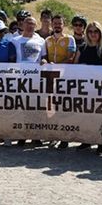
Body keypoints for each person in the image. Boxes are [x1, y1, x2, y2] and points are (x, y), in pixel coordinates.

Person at [73, 21, 102, 152]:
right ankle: (86, 141)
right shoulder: (82, 48)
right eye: (90, 31)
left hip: (100, 89)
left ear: (100, 33)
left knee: (99, 116)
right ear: (87, 33)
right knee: (85, 115)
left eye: (96, 31)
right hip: (84, 89)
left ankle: (101, 143)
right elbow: (75, 66)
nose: (93, 34)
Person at [9, 16, 47, 146]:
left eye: (33, 24)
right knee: (22, 108)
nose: (30, 26)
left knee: (36, 108)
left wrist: (44, 61)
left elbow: (44, 57)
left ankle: (36, 136)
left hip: (36, 79)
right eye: (28, 23)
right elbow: (11, 60)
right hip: (20, 79)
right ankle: (22, 136)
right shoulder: (14, 41)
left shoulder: (41, 41)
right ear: (22, 25)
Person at [45, 14, 76, 149]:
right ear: (52, 25)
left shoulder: (70, 39)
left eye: (59, 23)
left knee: (64, 108)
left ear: (63, 25)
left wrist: (56, 65)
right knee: (51, 109)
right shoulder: (47, 40)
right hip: (51, 77)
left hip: (65, 77)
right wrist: (45, 62)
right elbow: (44, 56)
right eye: (55, 23)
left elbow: (71, 58)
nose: (57, 25)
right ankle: (53, 136)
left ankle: (65, 138)